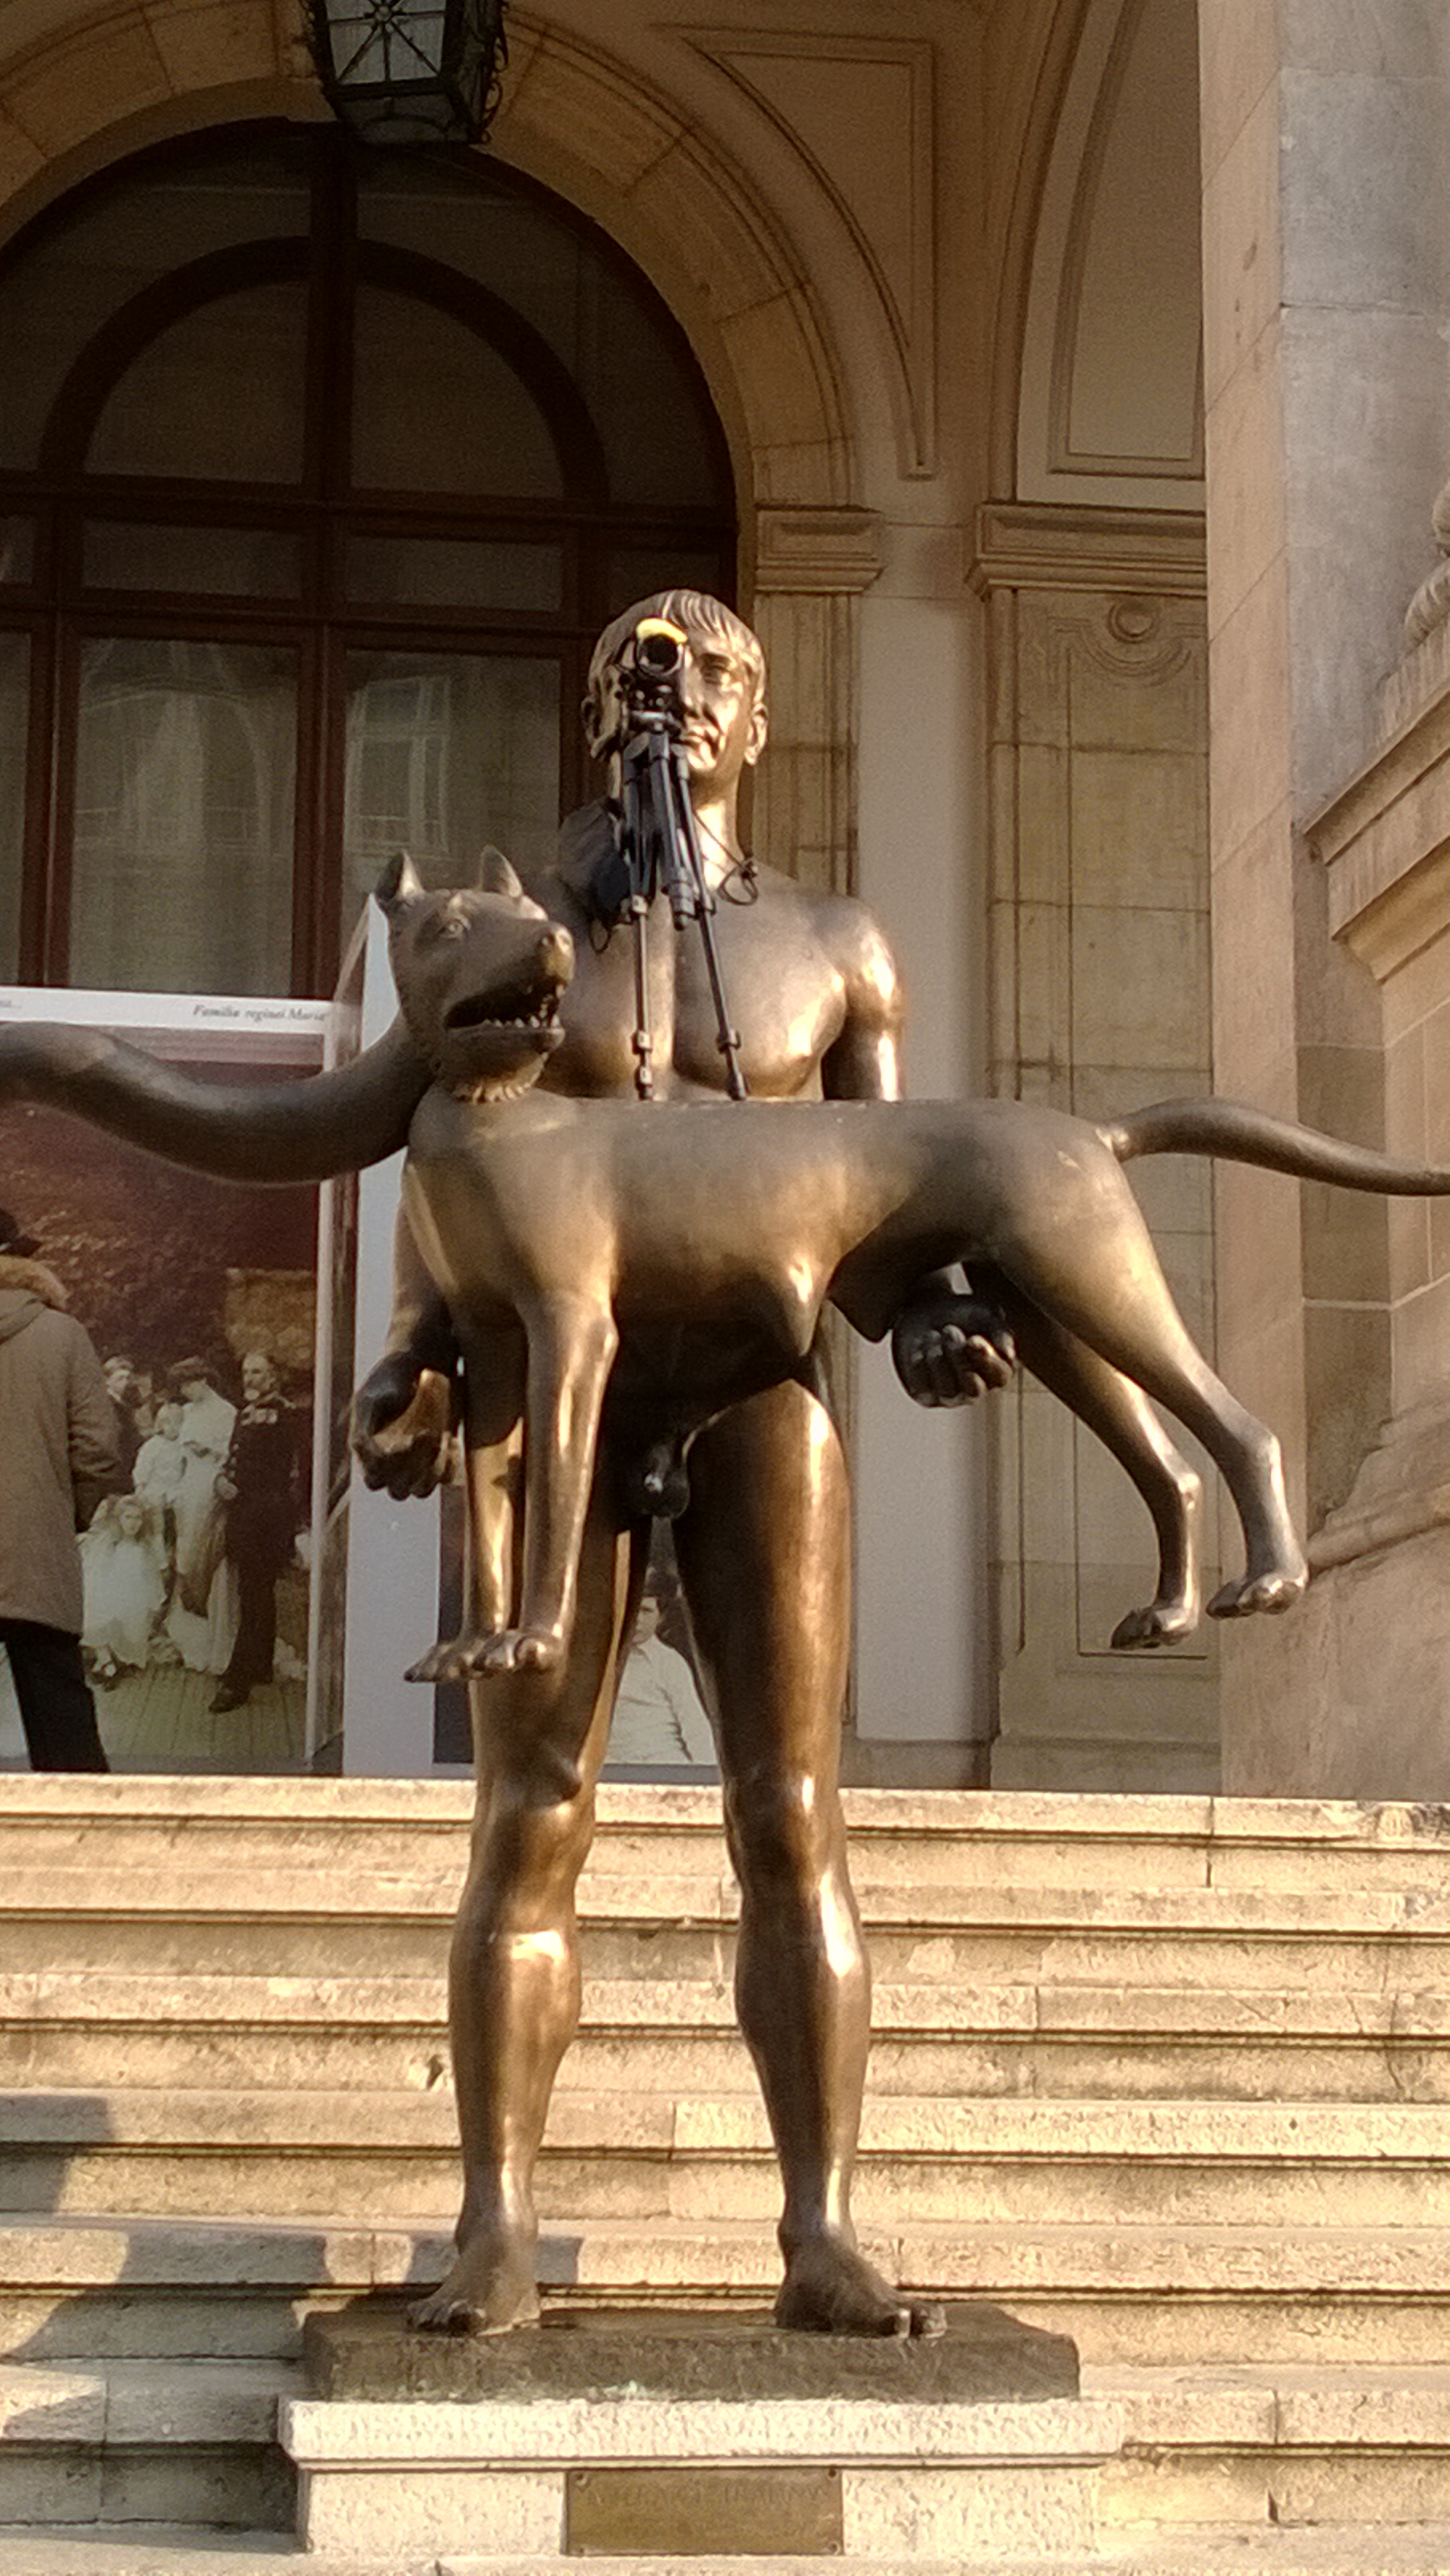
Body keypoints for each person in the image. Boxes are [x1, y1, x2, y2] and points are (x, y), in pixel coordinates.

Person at [352, 590, 1014, 2338]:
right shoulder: (521, 929)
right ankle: (495, 2219)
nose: (673, 688)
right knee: (529, 1811)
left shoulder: (837, 946)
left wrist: (931, 1313)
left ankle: (821, 2223)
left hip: (756, 1392)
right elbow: (449, 1160)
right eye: (637, 669)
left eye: (711, 667)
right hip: (546, 1396)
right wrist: (412, 1358)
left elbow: (890, 1179)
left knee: (789, 1812)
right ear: (596, 714)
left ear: (760, 717)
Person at [0, 1207, 118, 1769]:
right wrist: (62, 1517)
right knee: (66, 1748)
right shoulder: (63, 1335)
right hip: (37, 1556)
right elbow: (97, 1450)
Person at [210, 1350, 305, 1714]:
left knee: (253, 1598)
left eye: (258, 1372)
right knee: (256, 1594)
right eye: (247, 1372)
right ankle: (261, 1665)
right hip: (246, 1517)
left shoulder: (284, 1415)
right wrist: (222, 1481)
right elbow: (236, 1459)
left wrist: (241, 1489)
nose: (250, 1378)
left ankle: (237, 1682)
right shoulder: (246, 1413)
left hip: (266, 1519)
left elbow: (284, 1471)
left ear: (273, 1376)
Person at [81, 1492, 167, 1682]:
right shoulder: (109, 1545)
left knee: (132, 1622)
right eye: (128, 1517)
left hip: (132, 1598)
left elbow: (151, 1580)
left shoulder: (143, 1549)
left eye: (138, 1518)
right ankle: (106, 1661)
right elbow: (96, 1576)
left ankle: (112, 1659)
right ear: (119, 1519)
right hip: (107, 1594)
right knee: (97, 1616)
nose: (133, 1523)